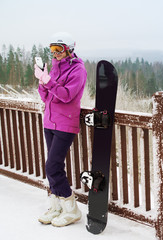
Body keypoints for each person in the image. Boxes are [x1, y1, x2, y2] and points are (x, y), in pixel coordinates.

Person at [34, 32, 87, 227]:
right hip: (50, 122)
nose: (55, 53)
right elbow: (45, 96)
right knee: (53, 166)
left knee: (53, 166)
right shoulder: (55, 68)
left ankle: (71, 210)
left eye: (59, 49)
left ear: (69, 50)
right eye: (52, 49)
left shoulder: (78, 70)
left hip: (66, 124)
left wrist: (48, 81)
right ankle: (56, 206)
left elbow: (66, 95)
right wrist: (42, 81)